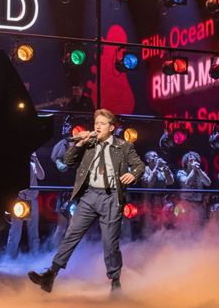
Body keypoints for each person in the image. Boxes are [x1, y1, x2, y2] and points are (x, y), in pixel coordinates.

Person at [28, 109, 144, 293]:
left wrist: (133, 174)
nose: (97, 126)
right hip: (89, 195)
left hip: (111, 197)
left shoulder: (123, 147)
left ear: (111, 128)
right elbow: (68, 160)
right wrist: (79, 143)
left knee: (110, 242)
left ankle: (115, 283)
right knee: (71, 234)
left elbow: (139, 166)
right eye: (96, 122)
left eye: (102, 123)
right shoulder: (88, 144)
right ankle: (50, 275)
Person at [5, 152, 45, 258]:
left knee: (33, 231)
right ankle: (9, 258)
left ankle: (35, 258)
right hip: (19, 200)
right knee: (15, 231)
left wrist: (36, 160)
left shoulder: (32, 164)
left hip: (32, 199)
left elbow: (41, 176)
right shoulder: (14, 164)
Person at [176, 151, 212, 224]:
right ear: (186, 162)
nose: (194, 162)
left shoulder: (200, 172)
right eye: (191, 161)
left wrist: (199, 170)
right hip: (186, 204)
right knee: (186, 226)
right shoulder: (181, 172)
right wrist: (193, 170)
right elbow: (186, 182)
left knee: (199, 225)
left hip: (198, 204)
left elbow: (208, 183)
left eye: (195, 160)